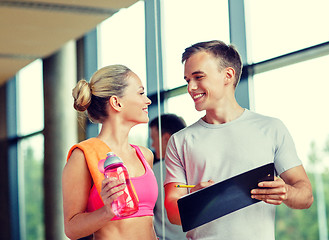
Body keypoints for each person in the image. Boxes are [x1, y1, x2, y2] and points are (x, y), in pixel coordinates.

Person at [163, 40, 314, 240]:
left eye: (198, 77)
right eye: (187, 80)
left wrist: (285, 191)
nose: (191, 87)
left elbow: (306, 195)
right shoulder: (180, 141)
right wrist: (195, 201)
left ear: (228, 75)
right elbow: (172, 214)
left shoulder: (271, 128)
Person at [62, 64, 158, 240]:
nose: (148, 100)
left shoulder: (145, 155)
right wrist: (107, 211)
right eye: (140, 93)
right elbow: (71, 229)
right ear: (116, 102)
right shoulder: (83, 156)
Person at [149, 114, 187, 240]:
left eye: (153, 139)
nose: (153, 145)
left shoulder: (155, 170)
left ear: (166, 139)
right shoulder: (197, 164)